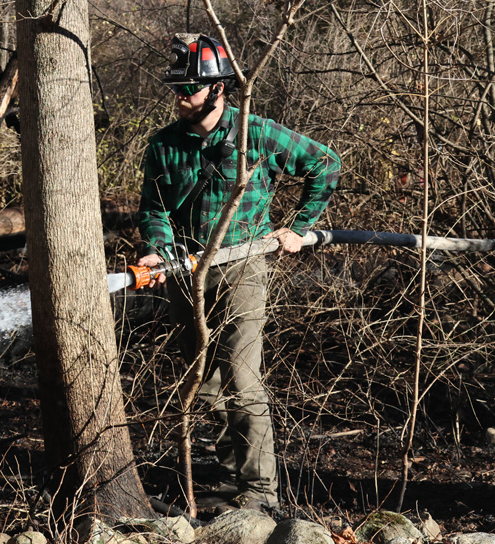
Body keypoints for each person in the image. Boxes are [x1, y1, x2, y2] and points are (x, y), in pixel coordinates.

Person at [136, 33, 341, 510]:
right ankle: (229, 477)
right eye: (176, 87)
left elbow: (325, 164)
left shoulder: (258, 133)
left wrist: (300, 227)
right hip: (186, 272)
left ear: (219, 89)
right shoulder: (163, 145)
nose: (180, 96)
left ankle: (259, 493)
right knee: (200, 382)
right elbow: (154, 209)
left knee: (243, 383)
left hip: (243, 267)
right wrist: (160, 251)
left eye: (188, 87)